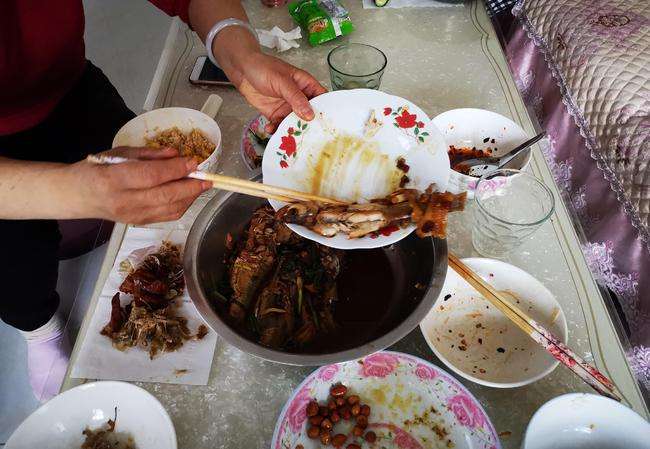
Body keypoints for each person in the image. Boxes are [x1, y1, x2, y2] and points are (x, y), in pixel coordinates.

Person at [0, 0, 326, 401]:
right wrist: (76, 190)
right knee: (15, 262)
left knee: (149, 212)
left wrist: (241, 57)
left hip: (69, 84)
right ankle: (40, 327)